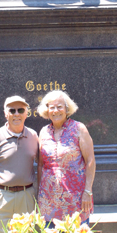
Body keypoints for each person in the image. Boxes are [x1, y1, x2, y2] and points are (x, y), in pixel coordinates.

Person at [0, 95, 39, 233]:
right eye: (12, 111)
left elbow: (43, 162)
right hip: (2, 196)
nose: (16, 114)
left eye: (20, 110)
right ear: (5, 114)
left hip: (26, 196)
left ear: (27, 113)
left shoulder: (33, 136)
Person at [36, 90, 95, 224]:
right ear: (47, 110)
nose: (56, 111)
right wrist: (40, 193)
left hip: (75, 199)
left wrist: (88, 191)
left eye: (59, 107)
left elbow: (90, 161)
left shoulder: (79, 129)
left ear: (67, 109)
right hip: (49, 200)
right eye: (52, 107)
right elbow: (40, 165)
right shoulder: (43, 132)